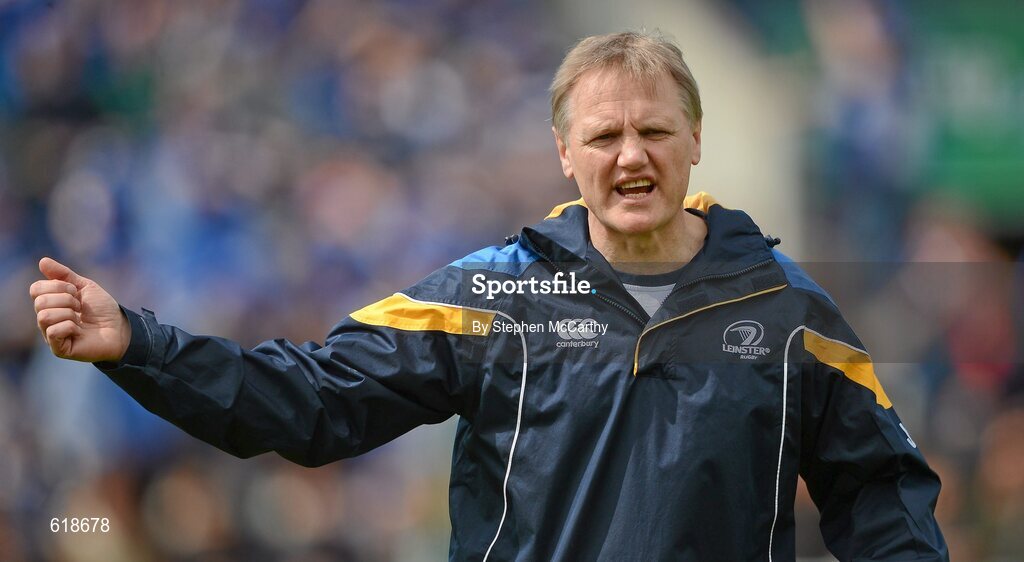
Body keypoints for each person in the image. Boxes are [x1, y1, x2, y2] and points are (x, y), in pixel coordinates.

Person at [30, 31, 947, 561]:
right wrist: (138, 344)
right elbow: (310, 404)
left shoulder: (790, 313)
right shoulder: (491, 296)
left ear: (696, 140)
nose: (631, 155)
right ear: (563, 153)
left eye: (654, 130)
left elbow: (881, 498)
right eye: (604, 135)